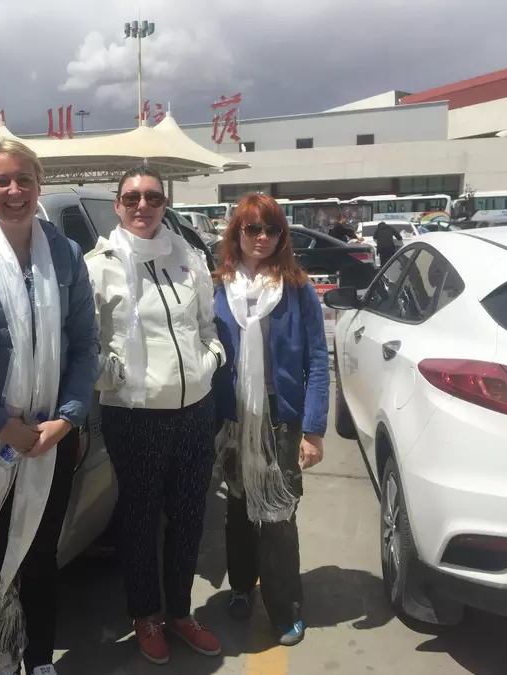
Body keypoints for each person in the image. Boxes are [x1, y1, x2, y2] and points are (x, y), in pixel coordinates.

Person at [0, 139, 99, 675]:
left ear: (39, 185)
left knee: (38, 555)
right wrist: (0, 424)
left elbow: (85, 344)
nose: (14, 191)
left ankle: (38, 661)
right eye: (2, 181)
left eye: (24, 180)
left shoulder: (65, 256)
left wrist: (68, 417)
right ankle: (0, 660)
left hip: (50, 440)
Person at [86, 165, 225, 666]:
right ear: (117, 205)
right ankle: (145, 614)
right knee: (141, 518)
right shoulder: (98, 265)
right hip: (135, 413)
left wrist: (210, 360)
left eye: (152, 197)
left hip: (194, 408)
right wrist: (115, 377)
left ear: (164, 203)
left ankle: (181, 612)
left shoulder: (187, 256)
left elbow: (206, 322)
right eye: (131, 198)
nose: (142, 206)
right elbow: (85, 345)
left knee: (189, 516)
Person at [212, 192, 329, 647]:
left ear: (282, 236)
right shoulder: (217, 285)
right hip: (233, 416)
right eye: (252, 229)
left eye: (271, 229)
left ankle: (285, 607)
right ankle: (242, 586)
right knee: (239, 506)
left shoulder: (297, 287)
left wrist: (314, 429)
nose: (262, 238)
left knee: (279, 513)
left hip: (281, 417)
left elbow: (318, 358)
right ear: (236, 234)